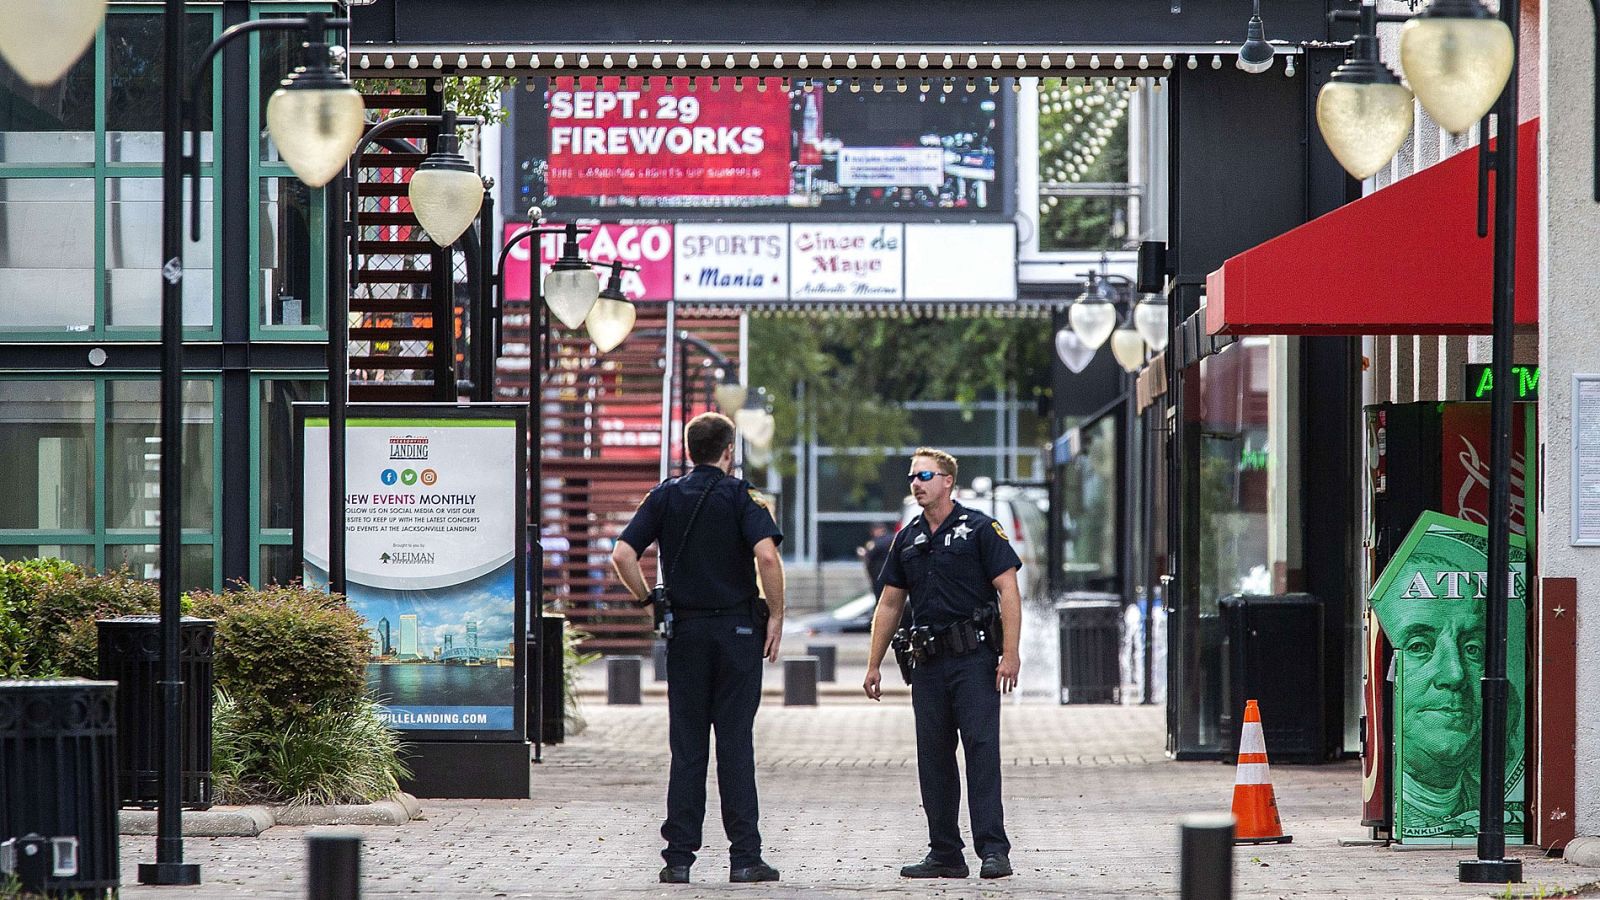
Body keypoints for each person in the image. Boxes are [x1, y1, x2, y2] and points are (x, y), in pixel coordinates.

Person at [611, 412, 786, 885]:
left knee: (687, 748)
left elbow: (622, 555)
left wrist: (649, 598)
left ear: (691, 450)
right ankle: (746, 858)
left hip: (685, 635)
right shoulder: (742, 495)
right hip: (736, 635)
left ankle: (679, 860)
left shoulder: (666, 494)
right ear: (729, 451)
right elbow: (767, 556)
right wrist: (776, 614)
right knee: (734, 746)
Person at [862, 448, 1022, 880]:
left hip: (974, 660)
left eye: (925, 475)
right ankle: (945, 852)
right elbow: (890, 603)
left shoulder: (979, 529)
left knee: (981, 751)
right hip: (928, 662)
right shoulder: (908, 538)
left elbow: (1008, 590)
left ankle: (993, 850)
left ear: (947, 481)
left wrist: (1011, 653)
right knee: (933, 757)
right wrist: (873, 664)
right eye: (912, 476)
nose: (916, 483)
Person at [858, 521, 895, 595]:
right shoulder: (892, 538)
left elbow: (870, 552)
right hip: (889, 576)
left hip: (882, 576)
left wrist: (864, 553)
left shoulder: (882, 541)